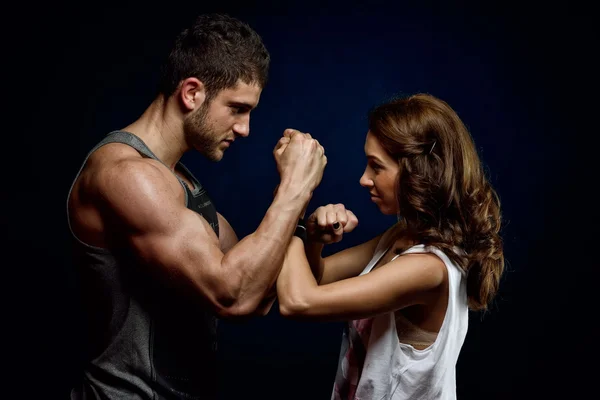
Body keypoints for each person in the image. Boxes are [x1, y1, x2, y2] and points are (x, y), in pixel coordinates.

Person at [66, 14, 327, 399]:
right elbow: (232, 295)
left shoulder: (178, 180)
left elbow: (257, 289)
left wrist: (300, 219)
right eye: (237, 108)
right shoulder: (129, 177)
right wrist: (294, 187)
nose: (245, 129)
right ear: (192, 93)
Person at [276, 93, 504, 400]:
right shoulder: (403, 236)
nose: (364, 179)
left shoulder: (428, 268)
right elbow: (316, 279)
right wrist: (314, 240)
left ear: (418, 172)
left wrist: (292, 195)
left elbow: (298, 301)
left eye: (376, 166)